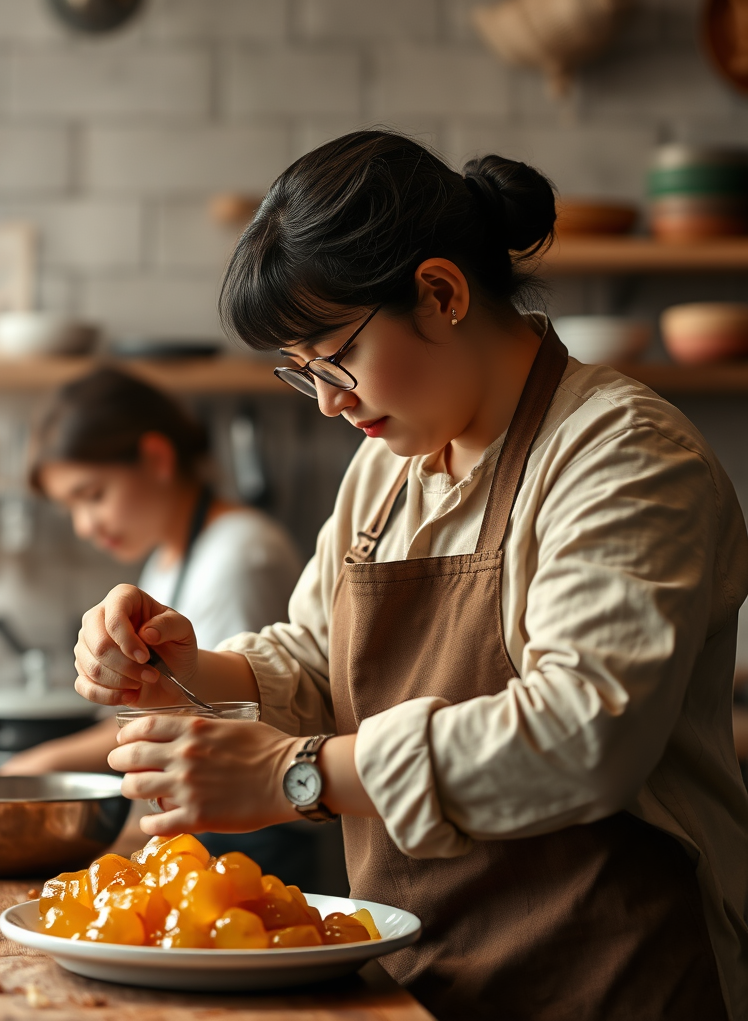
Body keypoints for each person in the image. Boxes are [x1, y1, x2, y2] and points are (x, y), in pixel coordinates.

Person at [69, 131, 748, 1021]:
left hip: (612, 981)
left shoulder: (621, 454)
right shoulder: (389, 468)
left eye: (335, 355)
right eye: (301, 372)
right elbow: (319, 664)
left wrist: (294, 777)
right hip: (424, 977)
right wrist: (186, 668)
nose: (328, 402)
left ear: (441, 292)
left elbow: (584, 736)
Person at [0, 369, 320, 881]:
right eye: (72, 508)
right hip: (212, 831)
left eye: (93, 494)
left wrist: (45, 765)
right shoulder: (168, 560)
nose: (85, 525)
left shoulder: (239, 555)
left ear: (156, 458)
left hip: (264, 844)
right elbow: (161, 701)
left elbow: (222, 720)